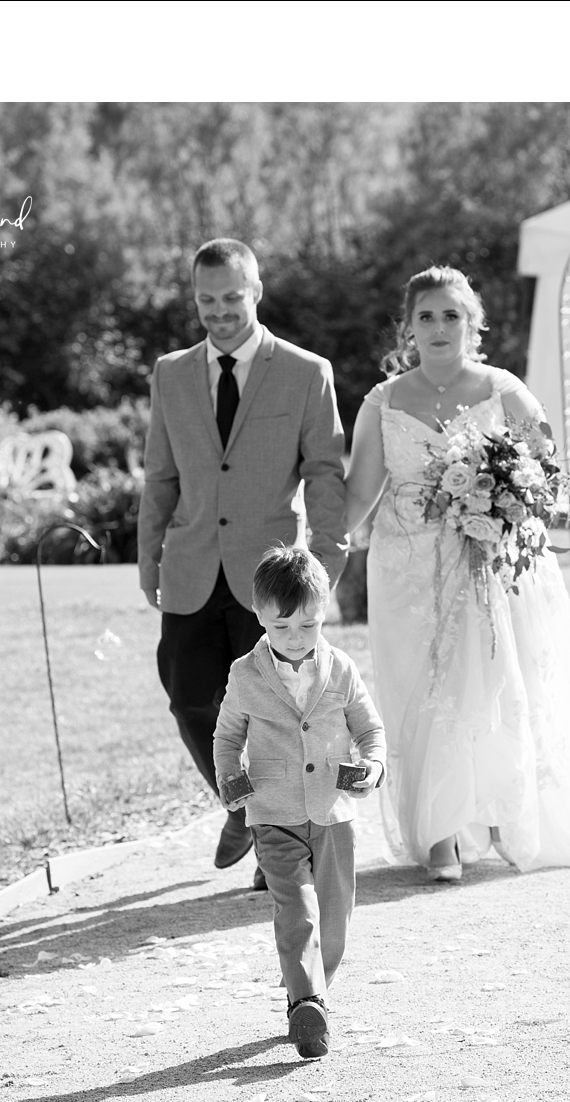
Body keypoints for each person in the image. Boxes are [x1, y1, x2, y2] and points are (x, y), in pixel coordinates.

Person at [343, 266, 570, 881]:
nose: (439, 328)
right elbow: (361, 490)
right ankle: (440, 834)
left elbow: (546, 480)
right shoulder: (382, 402)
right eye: (426, 316)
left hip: (492, 564)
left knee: (492, 686)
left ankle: (502, 816)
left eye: (452, 315)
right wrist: (318, 545)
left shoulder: (506, 392)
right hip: (407, 570)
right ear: (408, 327)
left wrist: (497, 499)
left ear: (473, 324)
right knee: (421, 690)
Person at [137, 238, 349, 879]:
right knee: (187, 696)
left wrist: (325, 565)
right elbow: (160, 476)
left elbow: (324, 474)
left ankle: (280, 845)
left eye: (233, 297)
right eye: (207, 300)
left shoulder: (306, 370)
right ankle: (240, 806)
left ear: (256, 293)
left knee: (283, 712)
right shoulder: (171, 372)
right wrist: (149, 558)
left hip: (274, 573)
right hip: (192, 566)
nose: (220, 311)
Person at [211, 546, 384, 1060]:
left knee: (334, 920)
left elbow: (369, 729)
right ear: (259, 615)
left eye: (307, 626)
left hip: (333, 813)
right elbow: (226, 738)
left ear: (324, 611)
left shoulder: (343, 669)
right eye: (281, 627)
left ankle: (310, 993)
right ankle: (307, 1002)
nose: (295, 638)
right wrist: (230, 777)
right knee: (298, 910)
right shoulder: (244, 675)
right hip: (274, 815)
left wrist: (372, 766)